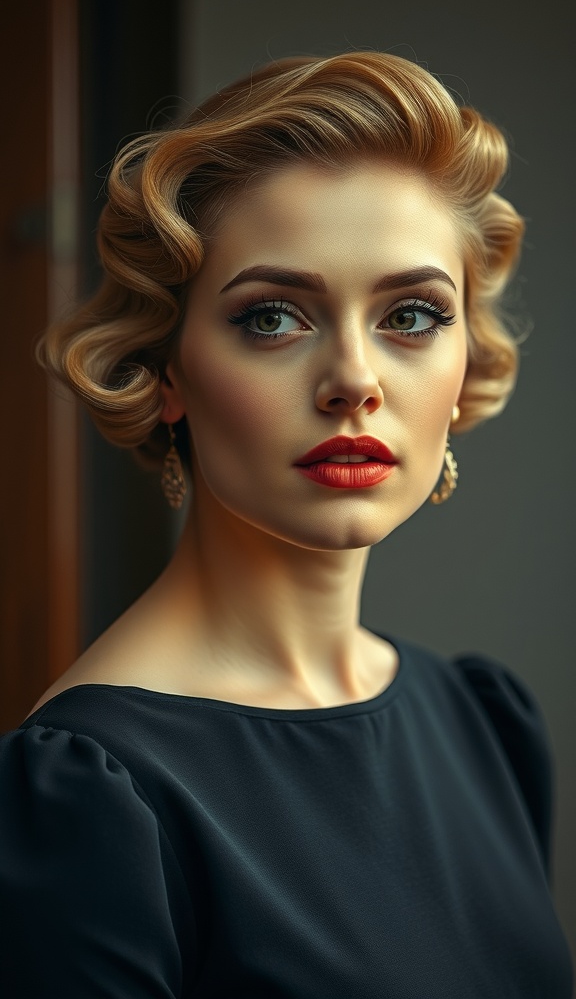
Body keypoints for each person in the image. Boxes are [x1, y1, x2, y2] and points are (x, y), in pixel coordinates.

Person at [0, 51, 572, 997]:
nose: (355, 379)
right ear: (167, 368)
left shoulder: (485, 723)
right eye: (272, 318)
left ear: (467, 358)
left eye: (414, 315)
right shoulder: (92, 798)